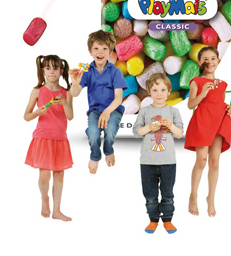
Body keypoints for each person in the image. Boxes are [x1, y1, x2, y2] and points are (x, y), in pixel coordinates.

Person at [69, 30, 127, 173]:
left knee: (110, 130)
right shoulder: (86, 71)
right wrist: (75, 84)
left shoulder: (115, 72)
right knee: (94, 134)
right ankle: (95, 155)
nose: (100, 52)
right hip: (95, 111)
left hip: (113, 110)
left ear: (110, 52)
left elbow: (118, 98)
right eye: (96, 48)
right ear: (90, 51)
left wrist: (107, 112)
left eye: (104, 48)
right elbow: (74, 94)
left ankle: (108, 150)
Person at [133, 73, 184, 234]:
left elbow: (179, 134)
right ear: (149, 92)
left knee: (168, 193)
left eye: (162, 90)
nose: (159, 94)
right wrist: (149, 128)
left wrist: (171, 126)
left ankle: (168, 220)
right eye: (155, 90)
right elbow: (136, 132)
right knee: (150, 195)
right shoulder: (144, 111)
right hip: (147, 161)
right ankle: (153, 220)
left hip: (168, 161)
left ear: (169, 91)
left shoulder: (173, 111)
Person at [185, 46, 231, 217]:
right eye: (205, 59)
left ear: (218, 61)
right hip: (203, 121)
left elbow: (219, 102)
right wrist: (203, 93)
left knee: (214, 161)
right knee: (201, 160)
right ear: (199, 63)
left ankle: (210, 198)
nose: (210, 62)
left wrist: (228, 108)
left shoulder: (222, 84)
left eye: (213, 58)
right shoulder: (196, 81)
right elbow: (191, 104)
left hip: (219, 122)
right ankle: (193, 195)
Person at [24, 54, 73, 221]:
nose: (52, 71)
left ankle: (57, 210)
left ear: (61, 71)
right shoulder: (37, 91)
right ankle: (44, 198)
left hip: (60, 139)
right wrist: (37, 112)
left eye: (55, 68)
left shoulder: (66, 93)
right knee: (44, 175)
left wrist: (65, 103)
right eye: (48, 68)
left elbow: (70, 116)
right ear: (43, 71)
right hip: (43, 138)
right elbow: (26, 116)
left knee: (59, 175)